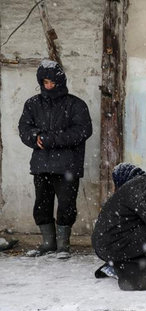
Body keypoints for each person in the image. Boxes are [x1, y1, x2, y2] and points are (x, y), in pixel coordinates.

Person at [18, 59, 93, 259]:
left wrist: (52, 139)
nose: (48, 86)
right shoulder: (32, 104)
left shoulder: (76, 104)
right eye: (45, 82)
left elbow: (82, 131)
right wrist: (35, 137)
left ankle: (63, 244)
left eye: (52, 82)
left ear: (60, 81)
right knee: (42, 204)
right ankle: (48, 243)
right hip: (41, 164)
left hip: (68, 165)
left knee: (67, 205)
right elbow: (24, 128)